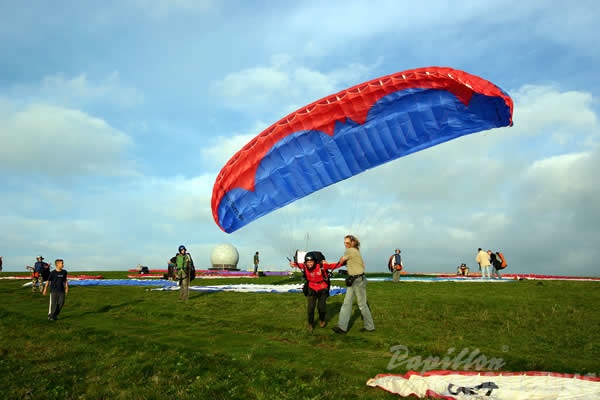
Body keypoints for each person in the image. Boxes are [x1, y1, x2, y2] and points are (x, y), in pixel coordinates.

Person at [332, 235, 375, 334]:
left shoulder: (350, 250)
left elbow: (342, 260)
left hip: (357, 281)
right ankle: (342, 328)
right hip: (357, 279)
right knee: (347, 303)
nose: (345, 245)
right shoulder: (356, 251)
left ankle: (369, 326)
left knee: (361, 305)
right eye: (344, 243)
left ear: (353, 243)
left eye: (347, 243)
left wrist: (327, 264)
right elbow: (362, 265)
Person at [290, 251, 341, 331]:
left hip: (322, 287)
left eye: (311, 262)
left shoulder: (321, 266)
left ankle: (322, 320)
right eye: (308, 262)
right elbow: (296, 264)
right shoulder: (304, 266)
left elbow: (333, 265)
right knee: (310, 307)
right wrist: (293, 264)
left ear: (315, 262)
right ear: (305, 262)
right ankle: (310, 323)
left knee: (321, 307)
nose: (309, 264)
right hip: (311, 288)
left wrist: (344, 261)